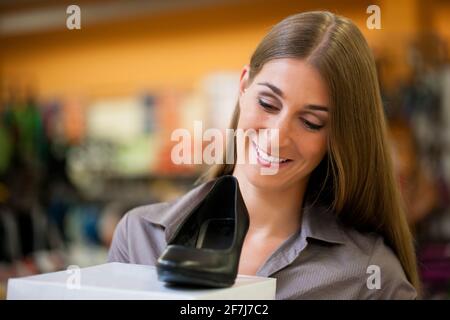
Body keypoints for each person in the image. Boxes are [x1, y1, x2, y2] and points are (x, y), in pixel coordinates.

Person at [108, 11, 420, 299]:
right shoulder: (139, 237)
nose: (276, 137)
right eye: (268, 104)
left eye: (311, 123)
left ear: (337, 136)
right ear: (244, 86)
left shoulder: (368, 275)